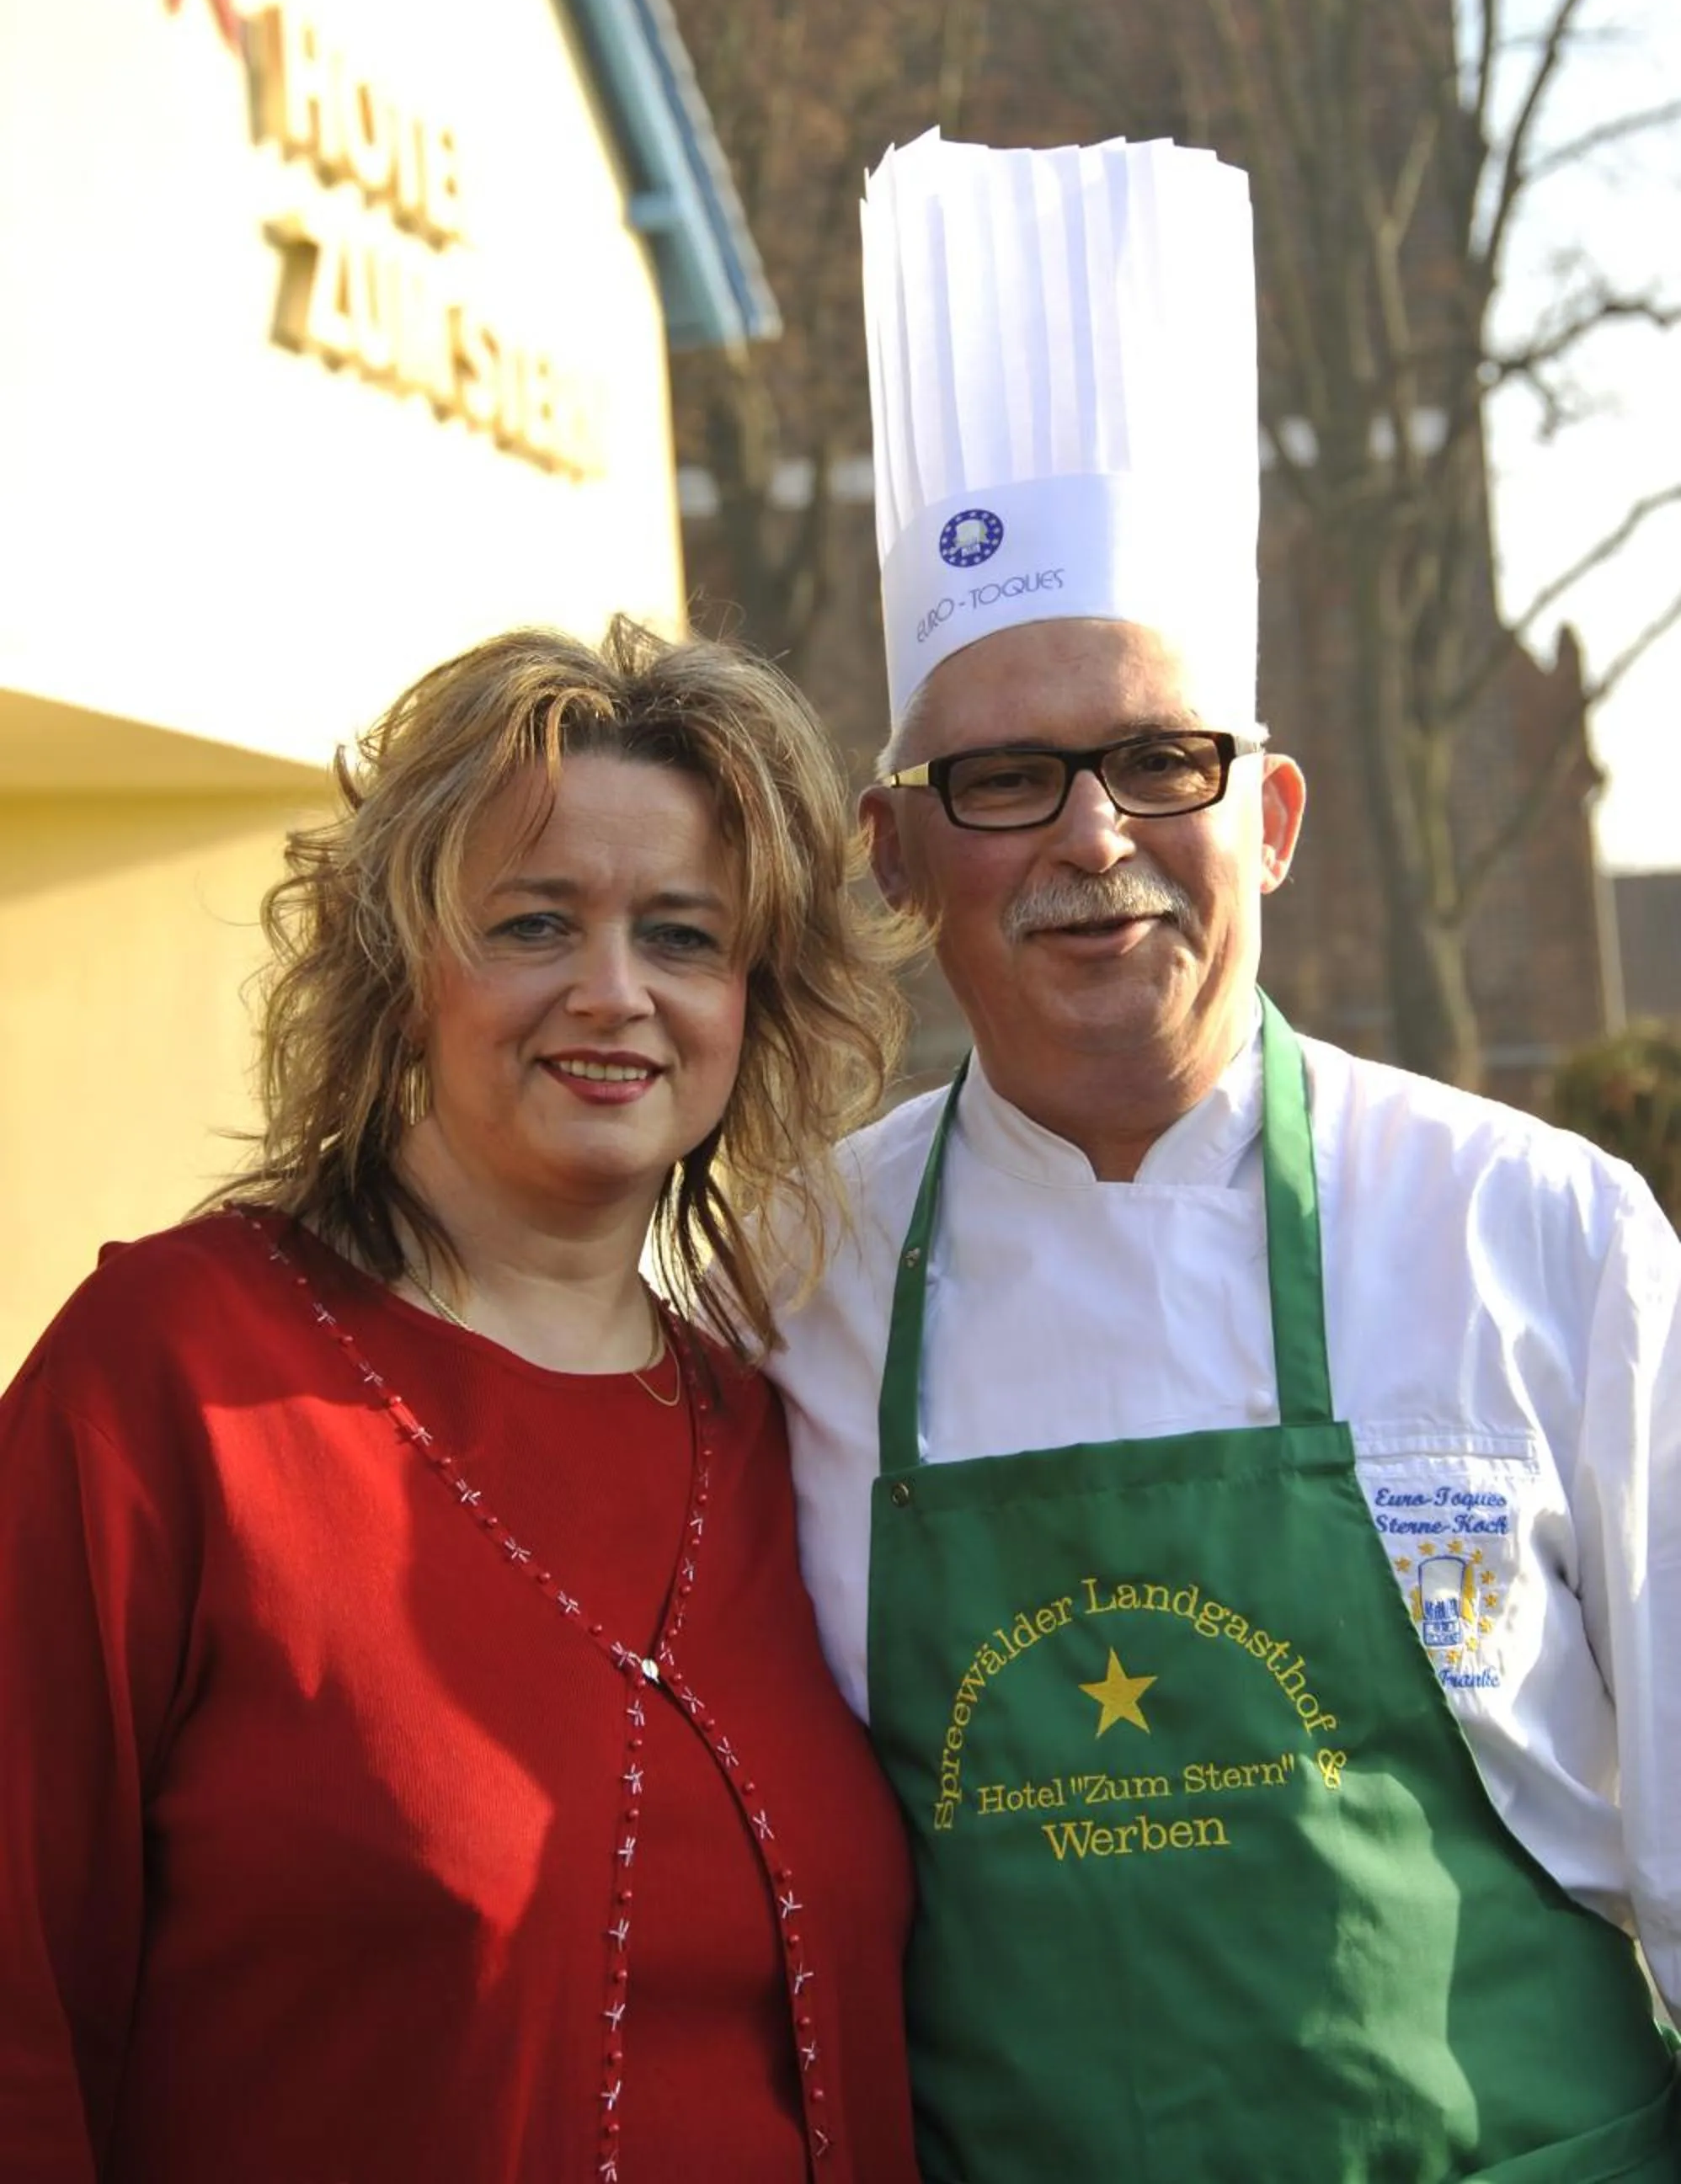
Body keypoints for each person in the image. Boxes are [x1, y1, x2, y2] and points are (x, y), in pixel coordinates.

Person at [766, 131, 1681, 2181]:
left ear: (1261, 816)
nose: (1091, 841)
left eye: (1155, 761)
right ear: (896, 855)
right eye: (1002, 778)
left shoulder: (1533, 1232)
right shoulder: (791, 1279)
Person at [0, 617, 922, 2184]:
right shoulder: (171, 1377)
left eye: (686, 936)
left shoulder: (776, 1434)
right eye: (534, 923)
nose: (615, 992)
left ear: (755, 1004)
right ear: (399, 966)